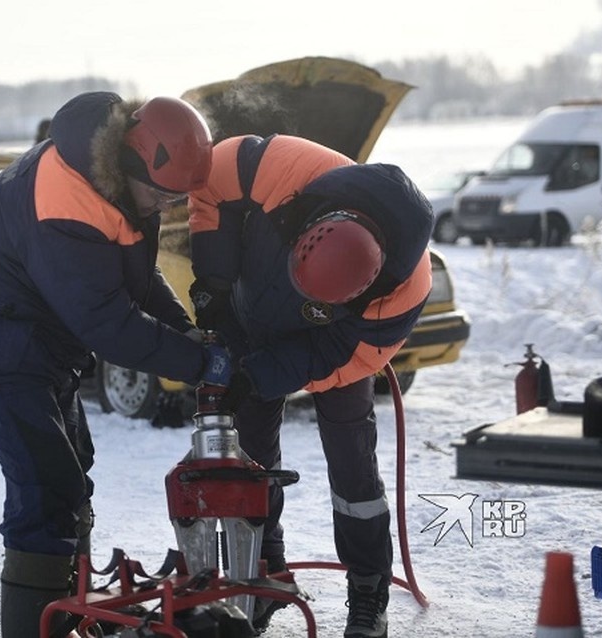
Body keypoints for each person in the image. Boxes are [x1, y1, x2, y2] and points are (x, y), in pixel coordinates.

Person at [0, 91, 229, 638]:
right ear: (131, 162)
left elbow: (137, 278)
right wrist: (198, 363)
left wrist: (185, 331)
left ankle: (67, 614)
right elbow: (107, 321)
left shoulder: (115, 180)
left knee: (73, 472)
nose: (162, 208)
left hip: (42, 343)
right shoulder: (67, 200)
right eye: (160, 195)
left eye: (174, 199)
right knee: (44, 487)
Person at [186, 134, 433, 638]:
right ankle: (262, 576)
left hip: (335, 346)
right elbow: (209, 184)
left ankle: (368, 591)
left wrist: (260, 375)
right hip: (251, 316)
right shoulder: (280, 167)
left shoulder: (404, 292)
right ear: (306, 229)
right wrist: (213, 281)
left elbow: (341, 359)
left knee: (352, 466)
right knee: (249, 459)